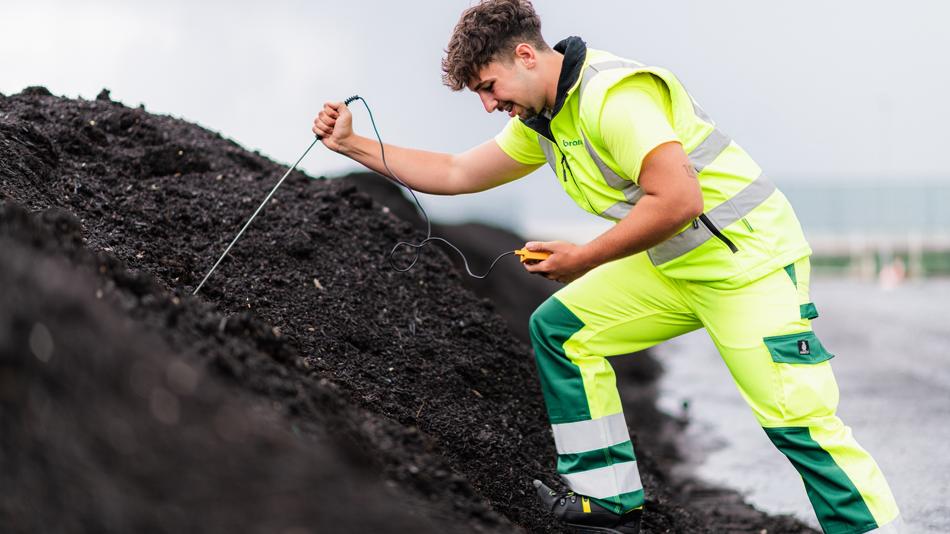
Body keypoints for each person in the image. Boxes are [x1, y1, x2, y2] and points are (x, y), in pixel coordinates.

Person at [312, 1, 901, 532]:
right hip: (677, 265)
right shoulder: (546, 121)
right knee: (562, 331)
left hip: (747, 263)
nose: (490, 104)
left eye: (488, 87)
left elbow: (679, 200)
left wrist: (584, 257)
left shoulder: (612, 99)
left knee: (797, 421)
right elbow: (457, 173)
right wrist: (354, 146)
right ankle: (609, 502)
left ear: (524, 56)